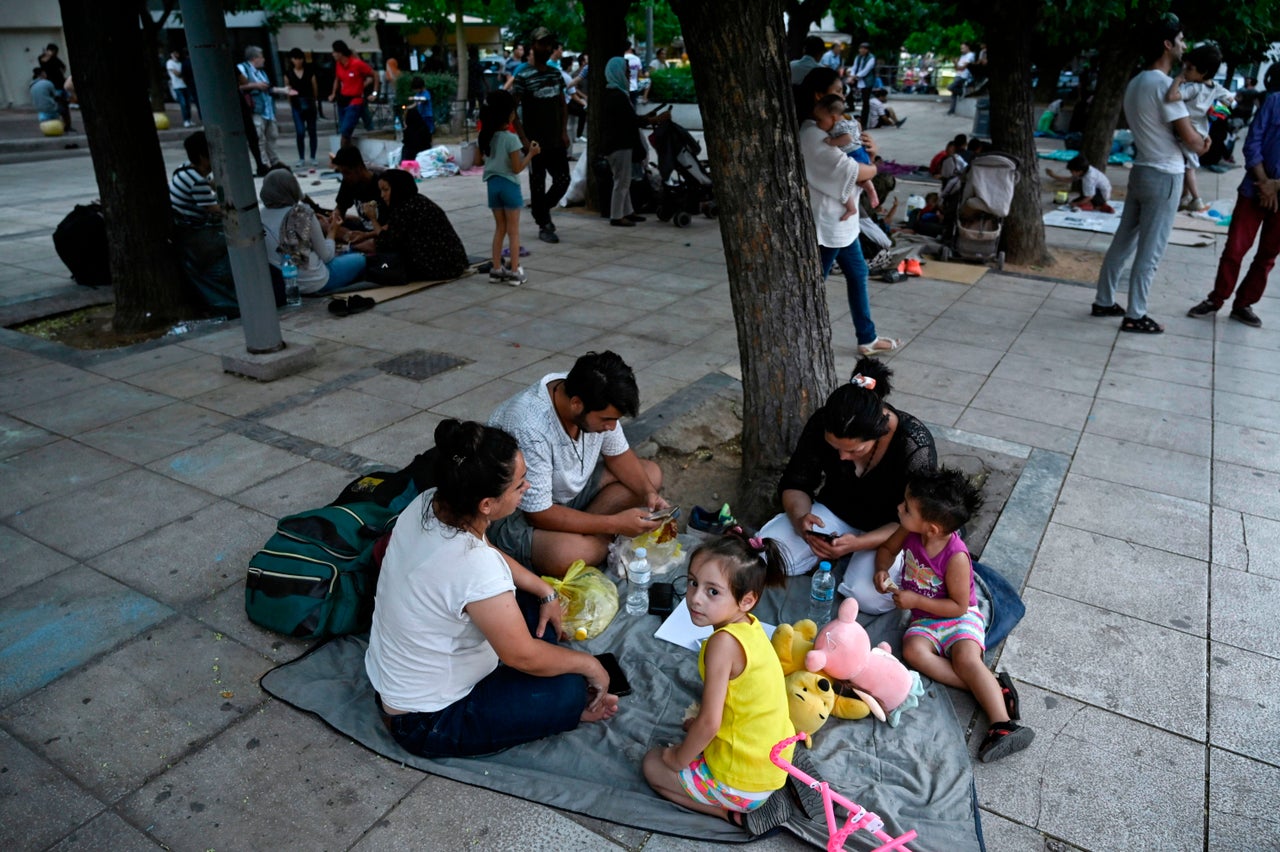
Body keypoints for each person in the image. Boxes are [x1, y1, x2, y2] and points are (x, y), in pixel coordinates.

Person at [365, 419, 620, 759]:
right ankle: (566, 701)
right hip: (426, 719)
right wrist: (590, 665)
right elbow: (521, 655)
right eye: (519, 485)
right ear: (487, 504)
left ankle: (544, 673)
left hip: (402, 682)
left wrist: (543, 589)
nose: (527, 487)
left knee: (532, 600)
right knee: (570, 690)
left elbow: (486, 551)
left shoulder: (430, 502)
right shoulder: (473, 565)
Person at [875, 467, 1035, 763]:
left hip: (958, 617)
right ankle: (993, 686)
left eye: (907, 508)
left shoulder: (956, 556)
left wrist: (914, 598)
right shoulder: (908, 530)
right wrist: (882, 569)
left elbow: (959, 606)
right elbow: (886, 549)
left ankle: (1002, 724)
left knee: (965, 659)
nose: (900, 508)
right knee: (913, 652)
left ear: (932, 528)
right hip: (925, 620)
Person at [641, 533, 795, 833]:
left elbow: (710, 723)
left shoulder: (722, 644)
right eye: (692, 582)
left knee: (652, 764)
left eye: (713, 592)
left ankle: (731, 815)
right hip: (773, 762)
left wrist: (676, 758)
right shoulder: (750, 627)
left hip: (744, 782)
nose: (695, 597)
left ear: (747, 600)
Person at [758, 358, 937, 614]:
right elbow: (796, 482)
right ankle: (827, 554)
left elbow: (916, 520)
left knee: (869, 597)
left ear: (880, 431)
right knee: (765, 554)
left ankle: (842, 558)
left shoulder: (914, 445)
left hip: (890, 532)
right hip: (834, 513)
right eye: (835, 448)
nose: (842, 457)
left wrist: (860, 544)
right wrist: (800, 520)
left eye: (855, 450)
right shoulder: (823, 422)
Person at [486, 350, 667, 576]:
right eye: (606, 420)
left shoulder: (591, 392)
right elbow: (538, 513)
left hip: (568, 496)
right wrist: (614, 524)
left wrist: (649, 493)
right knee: (568, 555)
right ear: (576, 404)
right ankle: (595, 541)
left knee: (650, 475)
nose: (611, 427)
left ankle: (590, 537)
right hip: (519, 514)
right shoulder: (529, 427)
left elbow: (618, 455)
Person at [1091, 14, 1209, 334]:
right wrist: (1203, 142)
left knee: (1124, 241)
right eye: (1181, 40)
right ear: (1167, 44)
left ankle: (1104, 300)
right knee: (1151, 250)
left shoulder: (1137, 82)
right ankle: (1136, 313)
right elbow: (1191, 140)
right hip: (1165, 175)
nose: (1185, 46)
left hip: (1142, 170)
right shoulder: (1164, 86)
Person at [801, 95, 899, 356]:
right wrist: (873, 167)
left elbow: (859, 166)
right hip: (830, 223)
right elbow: (853, 172)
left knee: (858, 274)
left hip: (845, 225)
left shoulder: (837, 127)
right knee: (815, 284)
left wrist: (871, 157)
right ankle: (805, 339)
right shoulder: (812, 132)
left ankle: (866, 338)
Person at [1187, 84, 1280, 328]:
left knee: (1268, 254)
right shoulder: (1274, 101)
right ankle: (1216, 299)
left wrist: (1275, 186)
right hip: (1254, 189)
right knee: (1235, 249)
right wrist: (1263, 182)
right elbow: (1253, 142)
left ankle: (1243, 304)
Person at [259, 170, 366, 295]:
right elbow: (327, 257)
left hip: (285, 284)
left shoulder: (259, 216)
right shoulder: (303, 213)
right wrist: (332, 231)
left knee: (344, 253)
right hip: (316, 282)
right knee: (360, 258)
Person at [513, 27, 570, 245]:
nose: (546, 48)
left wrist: (564, 131)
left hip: (556, 138)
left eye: (549, 44)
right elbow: (513, 112)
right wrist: (523, 140)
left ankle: (540, 210)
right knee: (538, 183)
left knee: (563, 180)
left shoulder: (555, 73)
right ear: (532, 46)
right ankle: (544, 224)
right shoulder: (523, 75)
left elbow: (562, 104)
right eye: (541, 44)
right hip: (535, 141)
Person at [602, 56, 670, 228]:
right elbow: (631, 121)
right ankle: (616, 216)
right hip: (618, 145)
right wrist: (654, 120)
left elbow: (630, 119)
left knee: (624, 180)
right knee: (622, 181)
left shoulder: (616, 93)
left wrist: (649, 118)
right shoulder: (616, 95)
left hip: (618, 144)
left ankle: (627, 211)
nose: (628, 72)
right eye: (625, 69)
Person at [1166, 43, 1233, 213]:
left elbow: (1171, 97)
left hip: (1187, 132)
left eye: (1189, 68)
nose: (1185, 71)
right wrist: (1215, 109)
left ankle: (1196, 199)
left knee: (1188, 168)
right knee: (1189, 163)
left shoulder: (1193, 88)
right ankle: (1185, 198)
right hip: (1202, 131)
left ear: (1202, 72)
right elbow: (1231, 100)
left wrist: (1177, 80)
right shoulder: (1215, 88)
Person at [479, 90, 537, 285]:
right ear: (509, 114)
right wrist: (531, 154)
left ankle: (496, 269)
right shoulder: (511, 139)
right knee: (514, 231)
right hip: (509, 186)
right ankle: (514, 271)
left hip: (492, 185)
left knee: (499, 229)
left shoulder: (488, 136)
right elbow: (516, 168)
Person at [371, 169, 468, 282]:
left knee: (379, 267)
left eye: (386, 190)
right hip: (455, 262)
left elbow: (386, 243)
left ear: (398, 188)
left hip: (436, 267)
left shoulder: (404, 209)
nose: (382, 195)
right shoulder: (419, 200)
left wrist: (373, 219)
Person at [237, 46, 288, 172]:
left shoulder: (261, 72)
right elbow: (239, 86)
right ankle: (264, 163)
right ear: (254, 58)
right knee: (259, 137)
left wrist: (282, 90)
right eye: (261, 57)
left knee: (272, 135)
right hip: (256, 109)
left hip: (268, 110)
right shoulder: (243, 68)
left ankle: (274, 160)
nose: (264, 59)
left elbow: (268, 89)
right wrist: (255, 85)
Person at [331, 147, 385, 249]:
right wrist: (336, 216)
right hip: (362, 230)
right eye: (342, 173)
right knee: (323, 224)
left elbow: (394, 225)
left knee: (376, 243)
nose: (345, 177)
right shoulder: (348, 181)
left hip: (379, 232)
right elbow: (340, 207)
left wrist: (366, 235)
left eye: (347, 173)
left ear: (359, 167)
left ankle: (356, 246)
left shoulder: (381, 183)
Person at [329, 40, 376, 149]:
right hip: (344, 99)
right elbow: (338, 79)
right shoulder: (339, 65)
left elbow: (371, 76)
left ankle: (344, 155)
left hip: (357, 99)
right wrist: (333, 93)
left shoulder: (357, 64)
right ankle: (349, 153)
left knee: (349, 128)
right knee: (345, 130)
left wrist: (372, 91)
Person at [283, 48, 319, 169]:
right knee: (300, 131)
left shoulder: (309, 72)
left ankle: (313, 156)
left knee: (312, 130)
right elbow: (288, 90)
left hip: (309, 102)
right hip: (296, 104)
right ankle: (301, 157)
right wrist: (291, 104)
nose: (298, 61)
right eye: (295, 59)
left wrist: (314, 100)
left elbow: (314, 88)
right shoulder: (288, 74)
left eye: (300, 58)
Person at [38, 43, 73, 133]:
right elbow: (43, 61)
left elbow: (63, 67)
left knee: (64, 105)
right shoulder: (44, 58)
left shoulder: (55, 59)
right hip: (53, 86)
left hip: (60, 84)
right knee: (59, 106)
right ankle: (62, 125)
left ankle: (67, 125)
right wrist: (48, 54)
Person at [400, 76, 435, 161]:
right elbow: (415, 104)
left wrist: (414, 98)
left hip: (427, 116)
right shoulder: (417, 95)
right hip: (420, 116)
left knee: (428, 130)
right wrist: (408, 107)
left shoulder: (426, 93)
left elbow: (423, 100)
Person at [848, 43, 876, 129]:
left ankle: (864, 123)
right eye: (860, 48)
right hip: (857, 79)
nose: (861, 50)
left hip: (866, 81)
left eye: (864, 49)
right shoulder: (858, 57)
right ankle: (851, 107)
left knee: (865, 102)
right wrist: (852, 76)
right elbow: (854, 67)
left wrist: (854, 77)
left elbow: (866, 70)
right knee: (848, 90)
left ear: (867, 50)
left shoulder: (871, 58)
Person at [167, 49, 194, 128]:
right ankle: (186, 120)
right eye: (174, 53)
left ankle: (188, 120)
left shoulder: (180, 63)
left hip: (185, 85)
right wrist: (183, 74)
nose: (176, 55)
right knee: (183, 104)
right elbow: (177, 74)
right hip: (177, 86)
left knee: (188, 104)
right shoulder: (170, 63)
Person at [948, 43, 975, 115]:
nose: (961, 50)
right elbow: (957, 68)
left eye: (963, 48)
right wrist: (955, 63)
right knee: (953, 94)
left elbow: (963, 68)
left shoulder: (971, 55)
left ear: (967, 47)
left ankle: (962, 92)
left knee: (950, 87)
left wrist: (957, 64)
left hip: (964, 76)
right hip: (958, 75)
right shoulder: (962, 56)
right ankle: (951, 110)